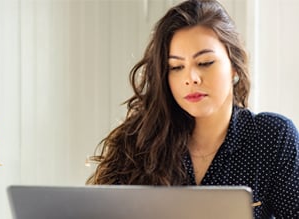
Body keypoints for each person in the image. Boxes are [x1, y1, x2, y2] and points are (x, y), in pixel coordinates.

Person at [86, 0, 299, 218]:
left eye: (205, 62)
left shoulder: (273, 137)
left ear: (234, 67)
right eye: (176, 67)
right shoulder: (136, 141)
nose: (191, 79)